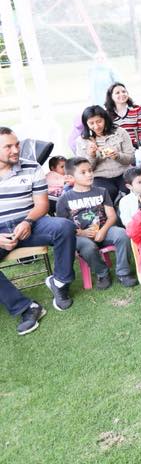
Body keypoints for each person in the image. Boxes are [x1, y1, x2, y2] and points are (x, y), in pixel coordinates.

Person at [0, 127, 77, 333]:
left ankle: (59, 282)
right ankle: (27, 308)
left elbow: (42, 204)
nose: (16, 150)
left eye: (17, 144)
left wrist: (28, 221)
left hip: (30, 222)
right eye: (8, 147)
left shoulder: (31, 166)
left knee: (64, 227)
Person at [57, 157, 137, 289]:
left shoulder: (101, 191)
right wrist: (81, 233)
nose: (89, 174)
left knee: (122, 234)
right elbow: (63, 226)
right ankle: (102, 273)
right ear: (71, 177)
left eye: (90, 170)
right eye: (83, 172)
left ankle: (123, 273)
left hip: (104, 230)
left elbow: (112, 216)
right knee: (88, 247)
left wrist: (103, 231)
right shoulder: (64, 199)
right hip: (80, 236)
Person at [75, 105, 135, 201]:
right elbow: (84, 170)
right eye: (91, 123)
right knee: (107, 192)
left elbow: (131, 158)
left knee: (130, 189)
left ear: (105, 119)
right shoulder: (82, 141)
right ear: (86, 124)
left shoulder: (120, 132)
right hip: (99, 177)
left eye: (99, 121)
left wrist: (117, 156)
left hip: (123, 173)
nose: (96, 126)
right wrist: (91, 155)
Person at [105, 82, 141, 148]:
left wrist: (136, 142)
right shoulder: (107, 114)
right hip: (118, 147)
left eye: (124, 91)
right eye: (117, 93)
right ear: (111, 96)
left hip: (136, 146)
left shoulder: (137, 109)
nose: (122, 94)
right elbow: (108, 134)